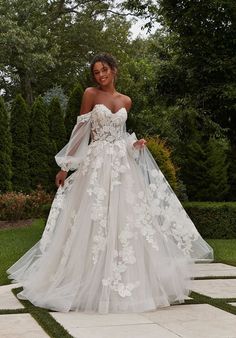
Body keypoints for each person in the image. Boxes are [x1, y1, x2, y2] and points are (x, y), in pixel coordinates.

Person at [7, 53, 213, 314]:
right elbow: (81, 132)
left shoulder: (126, 100)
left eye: (104, 70)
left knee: (126, 222)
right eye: (96, 72)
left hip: (122, 167)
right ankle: (85, 281)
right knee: (93, 220)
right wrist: (65, 166)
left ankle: (127, 284)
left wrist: (134, 145)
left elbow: (122, 136)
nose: (101, 75)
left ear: (114, 70)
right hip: (96, 164)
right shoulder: (90, 94)